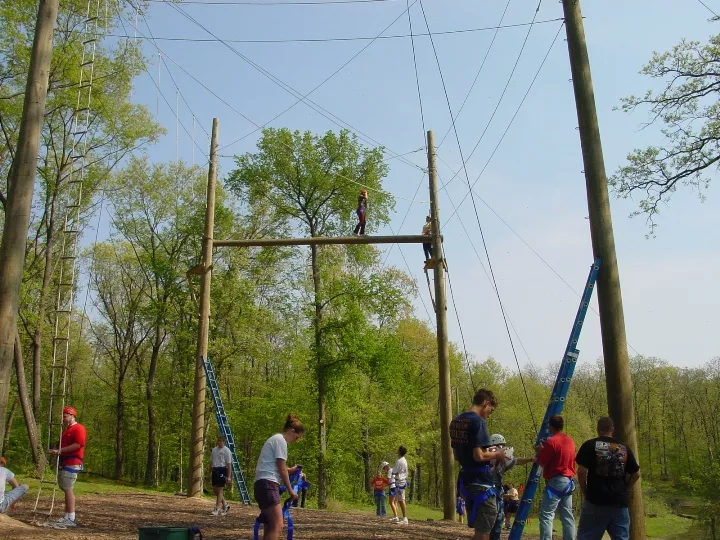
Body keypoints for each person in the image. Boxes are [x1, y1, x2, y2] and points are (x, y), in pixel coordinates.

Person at [450, 388, 507, 540]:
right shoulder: (478, 422)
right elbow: (479, 456)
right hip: (481, 482)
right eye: (491, 410)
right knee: (483, 532)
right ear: (486, 403)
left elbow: (456, 455)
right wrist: (498, 454)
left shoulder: (456, 421)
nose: (489, 414)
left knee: (479, 530)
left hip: (465, 481)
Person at [575, 416, 640, 540]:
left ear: (598, 429)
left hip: (596, 500)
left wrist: (585, 490)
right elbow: (636, 474)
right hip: (619, 502)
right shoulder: (624, 447)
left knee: (587, 536)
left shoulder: (590, 445)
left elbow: (582, 471)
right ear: (613, 429)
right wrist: (626, 488)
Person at [254, 414, 305, 540]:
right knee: (277, 525)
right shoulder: (281, 441)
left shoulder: (275, 439)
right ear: (292, 431)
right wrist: (290, 490)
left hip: (262, 484)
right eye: (297, 437)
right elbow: (281, 469)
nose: (296, 440)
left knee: (269, 525)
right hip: (268, 485)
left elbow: (277, 466)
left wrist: (291, 470)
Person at [535, 415, 576, 540]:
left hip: (556, 481)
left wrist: (540, 450)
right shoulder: (569, 440)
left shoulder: (551, 442)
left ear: (551, 426)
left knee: (546, 515)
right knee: (567, 516)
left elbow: (542, 461)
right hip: (569, 481)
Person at [488, 434, 535, 540]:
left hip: (496, 490)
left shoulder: (502, 460)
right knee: (492, 519)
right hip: (489, 490)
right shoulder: (488, 457)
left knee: (498, 519)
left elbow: (516, 461)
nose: (502, 448)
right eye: (500, 446)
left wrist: (531, 459)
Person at [47, 405, 86, 529]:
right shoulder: (66, 430)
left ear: (72, 416)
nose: (63, 418)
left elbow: (78, 444)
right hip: (65, 462)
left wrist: (59, 451)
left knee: (68, 488)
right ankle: (67, 515)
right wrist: (56, 451)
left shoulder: (78, 428)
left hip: (72, 462)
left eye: (65, 416)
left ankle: (71, 517)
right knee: (65, 487)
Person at [211, 435, 233, 516]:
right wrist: (210, 467)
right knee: (215, 489)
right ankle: (225, 504)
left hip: (222, 470)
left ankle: (217, 509)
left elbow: (229, 464)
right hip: (215, 470)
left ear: (224, 442)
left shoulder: (227, 451)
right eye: (218, 440)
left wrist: (229, 476)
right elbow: (212, 460)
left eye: (221, 441)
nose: (219, 442)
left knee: (220, 490)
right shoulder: (214, 450)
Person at [388, 446, 409, 524]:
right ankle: (400, 517)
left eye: (398, 450)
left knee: (401, 500)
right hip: (400, 481)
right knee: (399, 500)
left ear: (400, 452)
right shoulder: (403, 460)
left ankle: (404, 518)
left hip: (400, 482)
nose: (397, 451)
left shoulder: (400, 461)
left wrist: (393, 472)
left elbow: (394, 471)